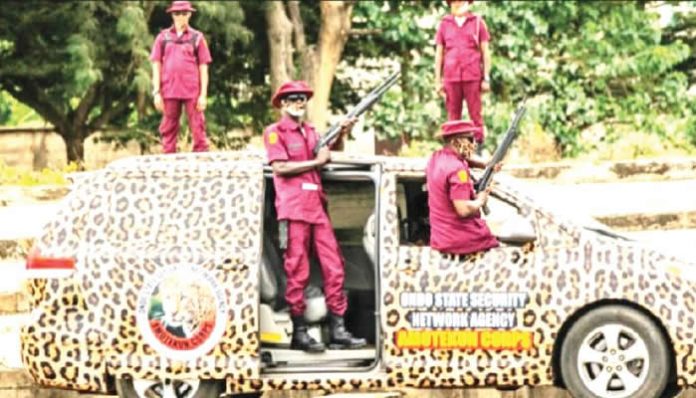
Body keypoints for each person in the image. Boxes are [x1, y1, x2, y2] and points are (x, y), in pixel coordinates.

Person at [263, 81, 366, 353]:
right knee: (297, 270)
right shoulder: (275, 133)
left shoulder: (311, 132)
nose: (299, 103)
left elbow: (333, 152)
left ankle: (338, 330)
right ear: (283, 104)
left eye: (303, 99)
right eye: (294, 99)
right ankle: (299, 332)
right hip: (293, 209)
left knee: (335, 266)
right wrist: (317, 162)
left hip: (316, 208)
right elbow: (281, 167)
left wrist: (343, 133)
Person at [426, 120, 499, 255]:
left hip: (441, 238)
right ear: (455, 142)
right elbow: (463, 210)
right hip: (461, 240)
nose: (474, 144)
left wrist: (485, 164)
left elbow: (462, 159)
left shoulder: (436, 158)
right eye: (470, 139)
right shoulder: (458, 170)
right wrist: (481, 200)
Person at [150, 0, 212, 154]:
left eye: (184, 13)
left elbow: (203, 67)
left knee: (198, 125)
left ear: (189, 15)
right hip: (169, 89)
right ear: (172, 15)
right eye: (177, 13)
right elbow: (156, 65)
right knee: (168, 127)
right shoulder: (163, 37)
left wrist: (203, 95)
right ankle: (168, 158)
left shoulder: (197, 37)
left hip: (192, 90)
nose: (181, 17)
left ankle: (201, 157)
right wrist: (156, 92)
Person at [434, 0, 491, 143]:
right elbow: (439, 54)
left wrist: (486, 78)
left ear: (468, 3)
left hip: (472, 76)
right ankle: (455, 152)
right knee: (453, 118)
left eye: (461, 1)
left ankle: (478, 148)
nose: (457, 4)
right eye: (454, 2)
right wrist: (437, 81)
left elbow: (485, 52)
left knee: (476, 115)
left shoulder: (478, 23)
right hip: (451, 77)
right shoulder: (444, 24)